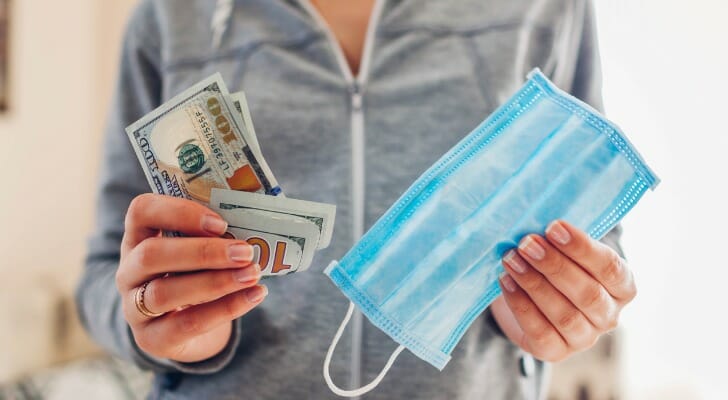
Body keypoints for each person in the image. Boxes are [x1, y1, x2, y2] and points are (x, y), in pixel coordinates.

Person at [77, 0, 635, 399]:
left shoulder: (545, 7)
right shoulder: (170, 15)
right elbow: (106, 269)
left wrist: (560, 304)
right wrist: (155, 322)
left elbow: (589, 213)